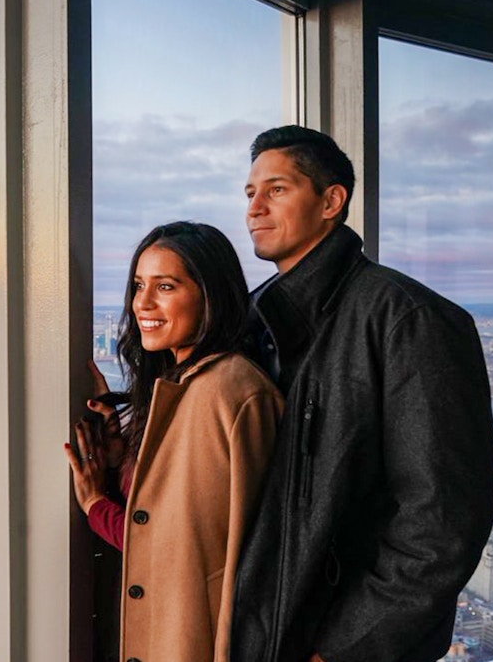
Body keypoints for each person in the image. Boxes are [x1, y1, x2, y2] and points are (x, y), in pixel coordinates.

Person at [230, 125, 493, 662]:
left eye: (277, 189)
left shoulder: (410, 320)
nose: (254, 208)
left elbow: (441, 524)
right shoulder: (251, 321)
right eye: (250, 193)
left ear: (332, 201)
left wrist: (345, 650)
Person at [66, 221, 283, 662]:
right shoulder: (183, 383)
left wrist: (95, 506)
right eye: (139, 285)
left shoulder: (227, 394)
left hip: (193, 638)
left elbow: (179, 547)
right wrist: (123, 460)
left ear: (210, 296)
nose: (142, 303)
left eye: (165, 286)